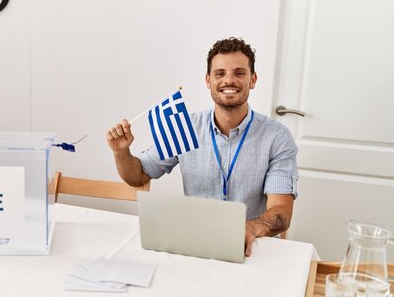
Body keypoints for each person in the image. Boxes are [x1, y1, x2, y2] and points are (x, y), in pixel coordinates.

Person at [106, 37, 298, 256]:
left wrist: (250, 227)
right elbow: (138, 175)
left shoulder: (277, 137)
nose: (229, 80)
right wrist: (121, 151)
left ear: (252, 80)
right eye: (220, 73)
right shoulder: (185, 127)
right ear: (208, 80)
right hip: (194, 245)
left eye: (239, 73)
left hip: (249, 246)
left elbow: (282, 212)